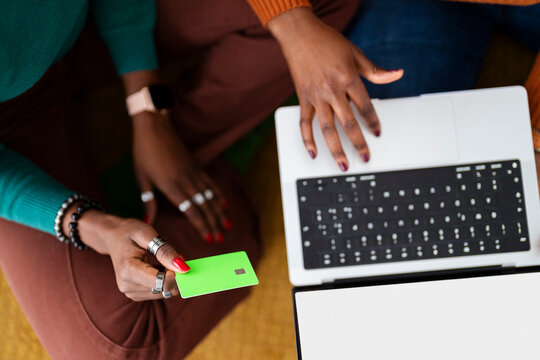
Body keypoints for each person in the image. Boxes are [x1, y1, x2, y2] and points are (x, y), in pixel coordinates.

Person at [0, 0, 369, 358]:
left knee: (309, 11)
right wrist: (92, 225)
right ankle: (210, 170)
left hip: (92, 19)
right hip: (13, 137)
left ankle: (177, 166)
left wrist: (148, 112)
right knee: (114, 350)